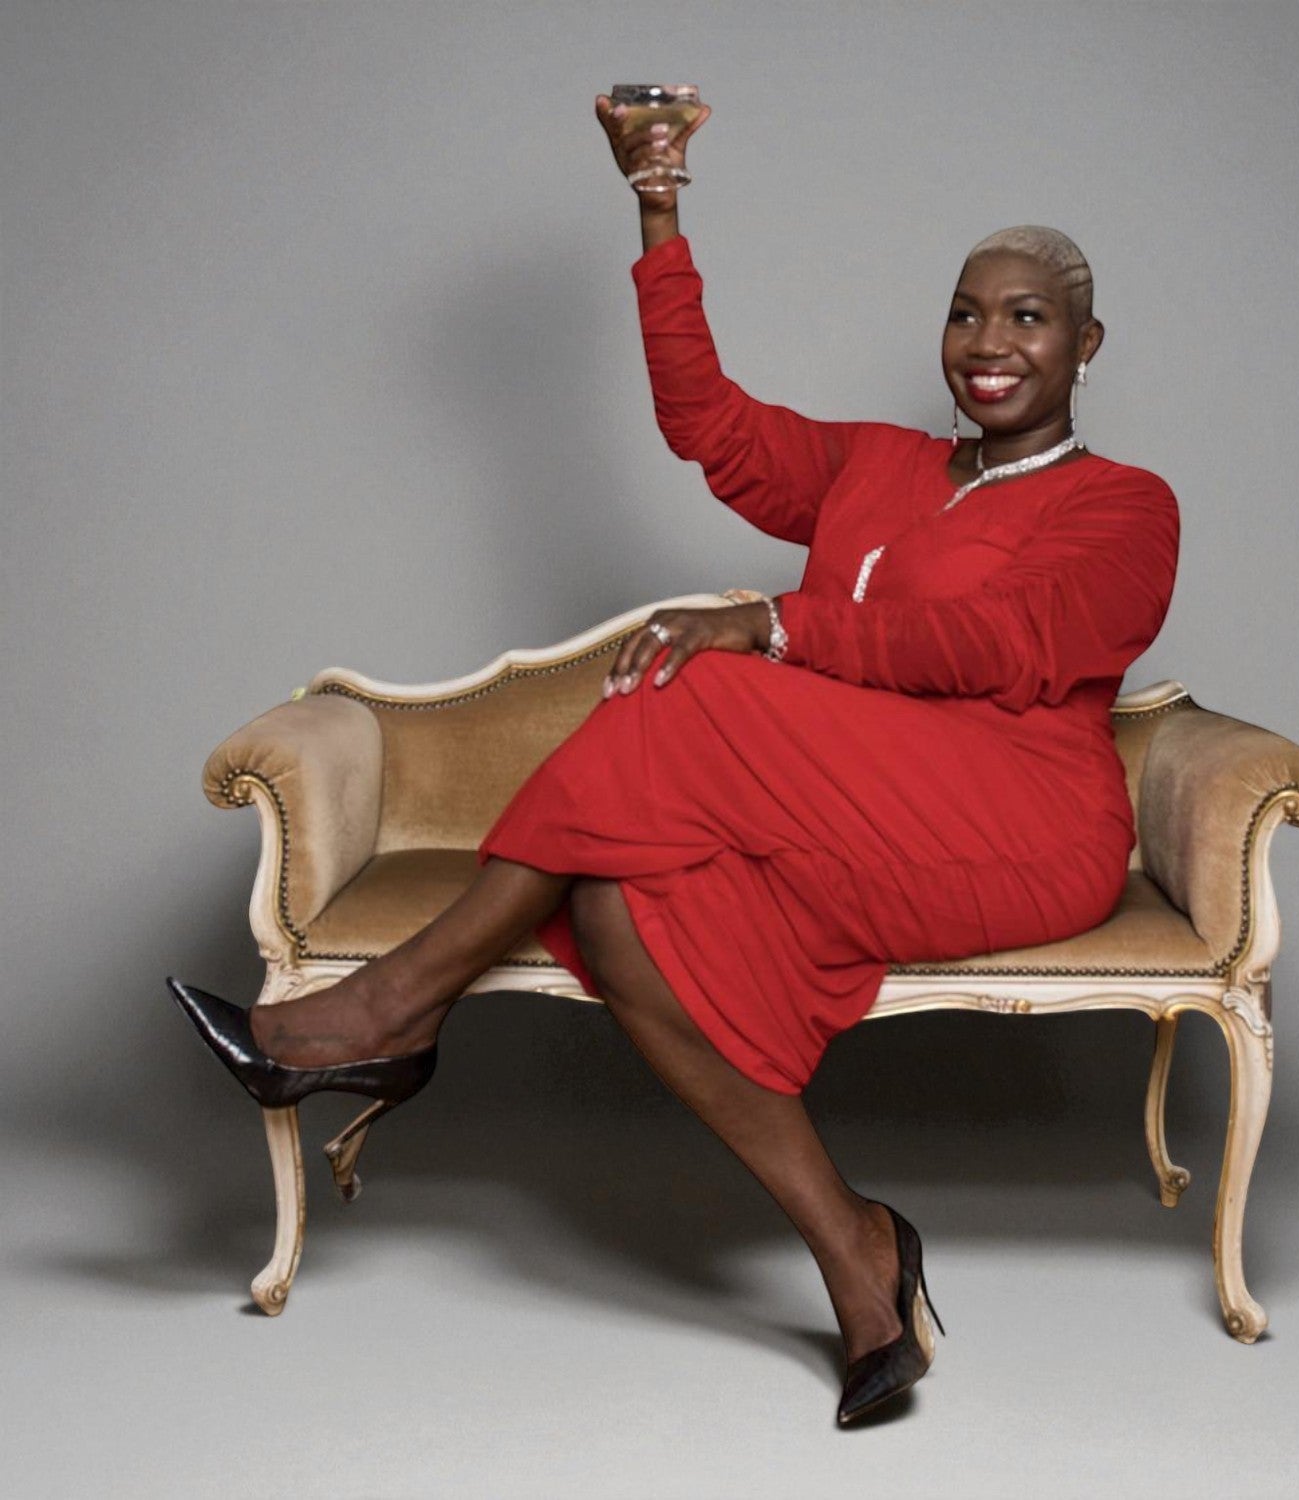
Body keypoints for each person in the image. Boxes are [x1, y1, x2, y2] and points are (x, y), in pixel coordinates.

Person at [168, 93, 1180, 1427]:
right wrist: (659, 215)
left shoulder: (1126, 506)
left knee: (700, 679)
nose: (988, 344)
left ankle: (395, 1007)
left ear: (1087, 343)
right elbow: (708, 421)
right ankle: (859, 1256)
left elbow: (1002, 644)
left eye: (1027, 317)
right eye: (966, 314)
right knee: (618, 899)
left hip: (1020, 825)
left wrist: (776, 622)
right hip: (854, 810)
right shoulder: (875, 465)